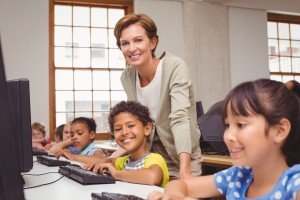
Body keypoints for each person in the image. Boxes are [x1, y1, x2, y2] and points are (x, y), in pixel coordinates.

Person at [147, 78, 300, 200]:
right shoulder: (237, 176)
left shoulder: (294, 185)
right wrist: (174, 195)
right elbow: (182, 185)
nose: (228, 136)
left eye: (241, 125)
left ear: (279, 131)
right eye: (228, 125)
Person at [112, 13, 202, 179]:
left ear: (152, 42)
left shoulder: (174, 67)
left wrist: (185, 171)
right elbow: (138, 123)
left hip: (182, 156)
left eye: (138, 40)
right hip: (151, 160)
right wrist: (109, 160)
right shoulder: (127, 76)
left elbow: (180, 119)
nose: (131, 48)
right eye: (125, 43)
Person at [84, 100, 169, 187]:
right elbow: (110, 160)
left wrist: (117, 174)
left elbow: (152, 177)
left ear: (147, 128)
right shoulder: (125, 161)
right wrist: (100, 164)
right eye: (118, 129)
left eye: (131, 126)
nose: (124, 132)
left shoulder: (154, 159)